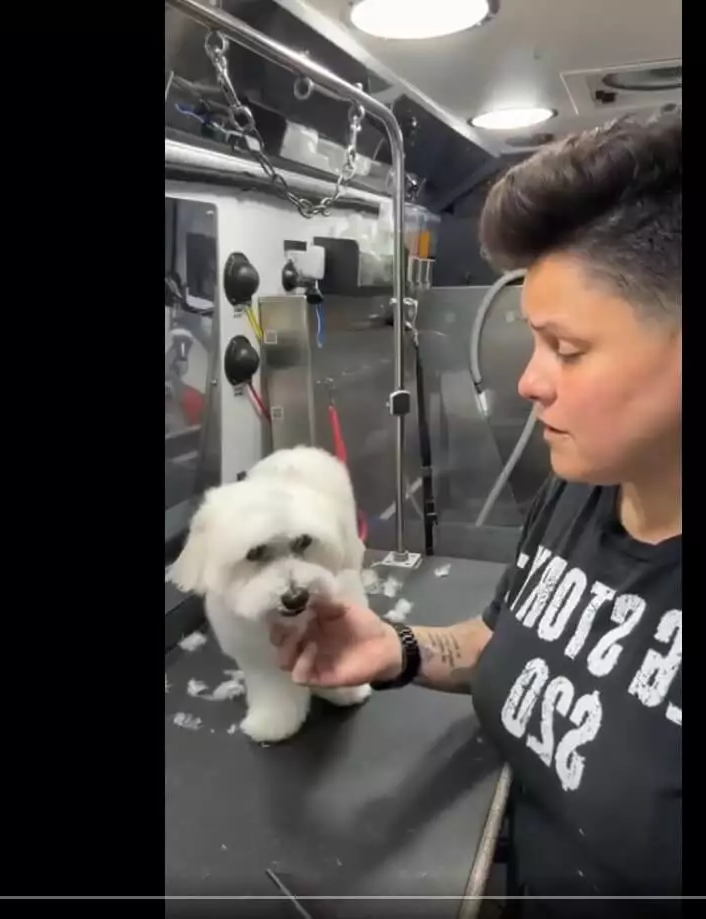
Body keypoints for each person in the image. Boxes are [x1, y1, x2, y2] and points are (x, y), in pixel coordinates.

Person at [272, 110, 682, 917]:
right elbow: (509, 640)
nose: (531, 381)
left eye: (566, 349)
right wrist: (396, 648)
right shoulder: (582, 486)